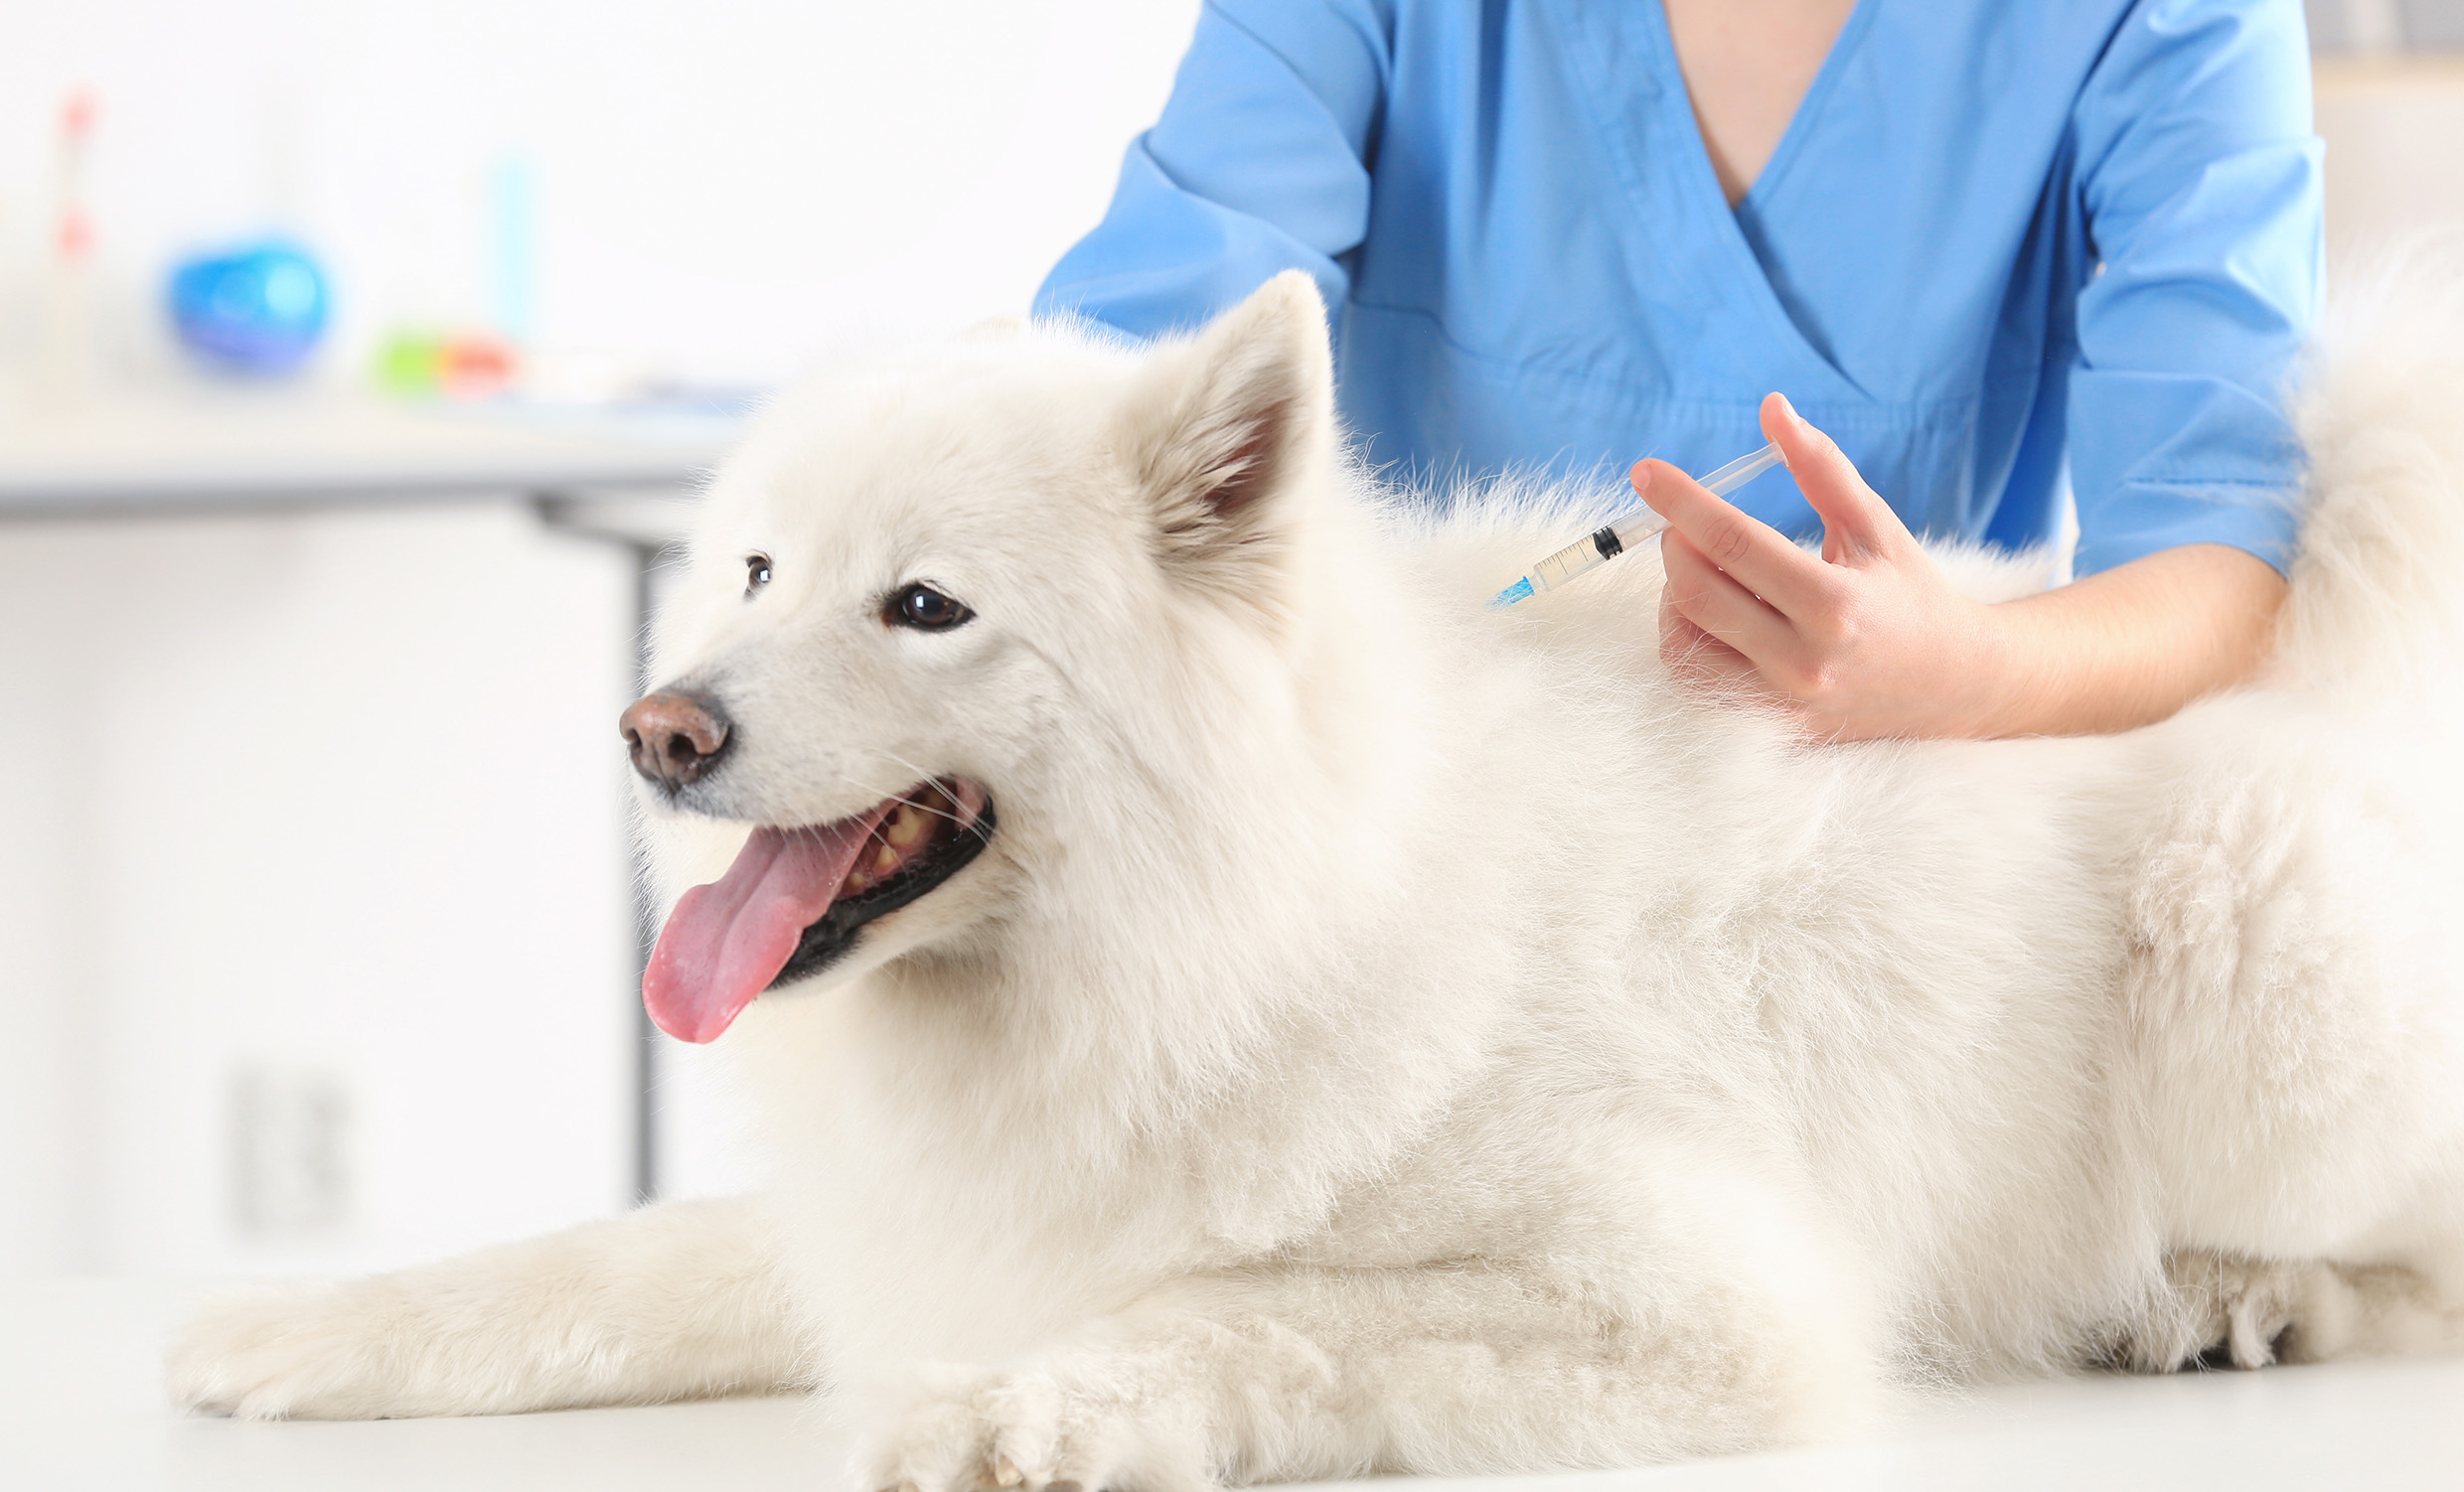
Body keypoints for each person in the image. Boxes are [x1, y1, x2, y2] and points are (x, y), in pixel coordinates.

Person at [1034, 0, 2321, 740]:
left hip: (1870, 870)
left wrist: (1963, 668)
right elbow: (1115, 389)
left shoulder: (2161, 26)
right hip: (1408, 817)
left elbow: (2221, 567)